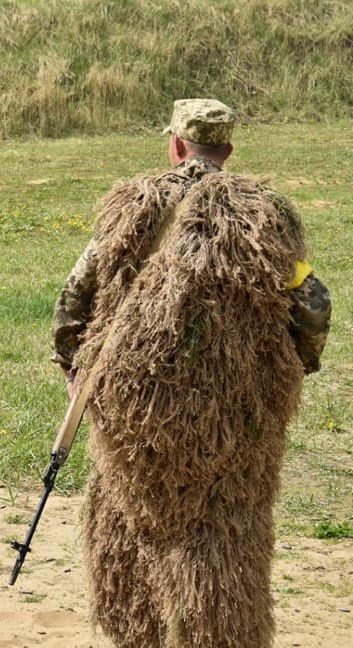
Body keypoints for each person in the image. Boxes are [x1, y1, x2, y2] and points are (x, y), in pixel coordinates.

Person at [51, 99, 331, 647]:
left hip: (135, 413)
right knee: (226, 531)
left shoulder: (131, 209)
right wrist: (296, 365)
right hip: (233, 419)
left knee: (130, 520)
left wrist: (75, 371)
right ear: (227, 149)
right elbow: (313, 304)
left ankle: (142, 631)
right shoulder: (263, 215)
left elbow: (71, 304)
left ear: (176, 145)